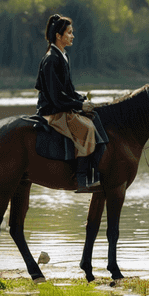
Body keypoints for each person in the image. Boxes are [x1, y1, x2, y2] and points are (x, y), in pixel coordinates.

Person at [35, 14, 101, 193]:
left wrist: (82, 101)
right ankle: (81, 179)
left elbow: (69, 90)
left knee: (94, 117)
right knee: (86, 129)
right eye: (69, 33)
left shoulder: (63, 57)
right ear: (59, 35)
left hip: (62, 107)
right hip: (52, 111)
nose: (72, 36)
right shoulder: (51, 59)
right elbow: (56, 97)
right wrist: (79, 106)